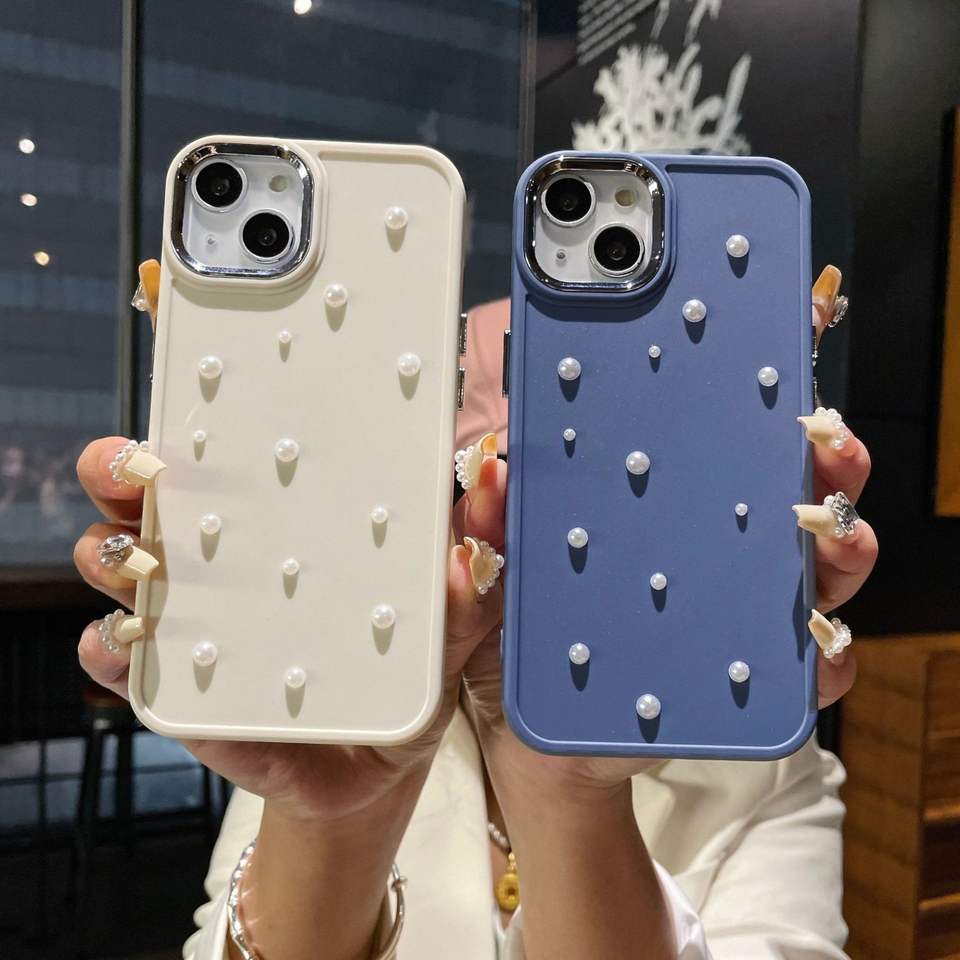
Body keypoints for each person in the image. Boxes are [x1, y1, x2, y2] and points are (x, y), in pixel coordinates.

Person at [73, 261, 875, 959]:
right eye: (472, 393)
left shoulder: (761, 760)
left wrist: (565, 794)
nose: (513, 435)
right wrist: (330, 820)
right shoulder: (335, 703)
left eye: (568, 386)